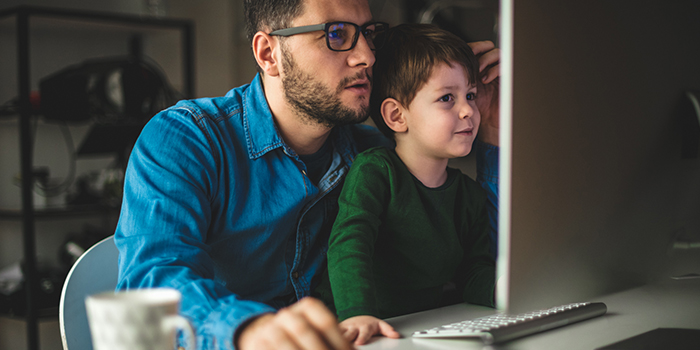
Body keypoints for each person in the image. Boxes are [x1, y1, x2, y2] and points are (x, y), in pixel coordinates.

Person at [113, 0, 501, 349]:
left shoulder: (379, 155)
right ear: (270, 54)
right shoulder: (188, 139)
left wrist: (492, 130)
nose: (366, 55)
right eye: (337, 34)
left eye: (369, 34)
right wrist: (249, 330)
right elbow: (150, 286)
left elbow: (485, 257)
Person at [322, 23, 496, 346]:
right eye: (447, 98)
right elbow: (349, 243)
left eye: (470, 95)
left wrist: (506, 288)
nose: (467, 110)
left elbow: (474, 272)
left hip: (418, 333)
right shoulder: (375, 172)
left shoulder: (468, 196)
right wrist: (357, 313)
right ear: (396, 116)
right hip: (360, 332)